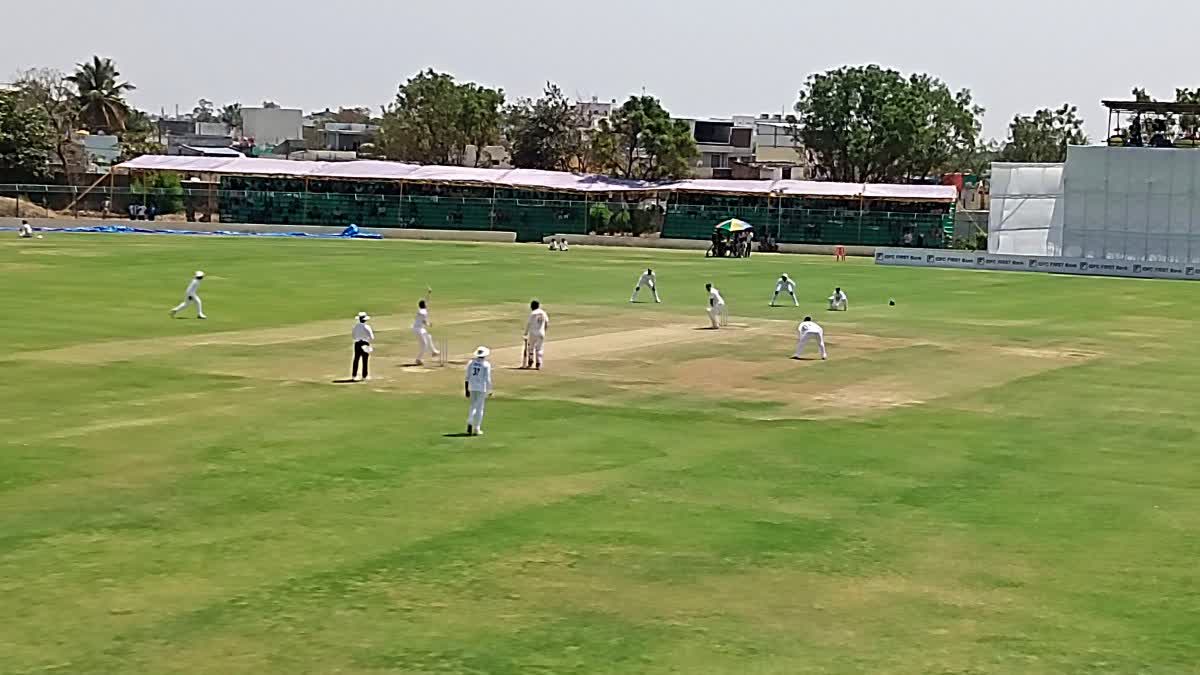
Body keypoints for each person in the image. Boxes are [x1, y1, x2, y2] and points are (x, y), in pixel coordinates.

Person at [464, 346, 493, 436]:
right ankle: (476, 428)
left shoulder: (471, 363)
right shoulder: (486, 365)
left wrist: (466, 389)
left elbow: (467, 377)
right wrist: (490, 389)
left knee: (473, 406)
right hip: (481, 388)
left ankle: (470, 421)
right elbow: (487, 378)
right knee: (480, 408)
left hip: (472, 387)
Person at [412, 299, 440, 366]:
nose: (427, 304)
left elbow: (424, 321)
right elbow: (422, 315)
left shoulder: (423, 311)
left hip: (420, 328)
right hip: (418, 329)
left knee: (429, 336)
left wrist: (428, 324)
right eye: (426, 304)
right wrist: (420, 312)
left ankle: (434, 351)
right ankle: (418, 359)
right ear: (424, 305)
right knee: (424, 345)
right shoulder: (423, 311)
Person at [524, 300, 550, 370]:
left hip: (533, 333)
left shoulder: (532, 313)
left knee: (531, 347)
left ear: (532, 306)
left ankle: (530, 361)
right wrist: (544, 331)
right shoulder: (543, 313)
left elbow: (528, 324)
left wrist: (525, 333)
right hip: (541, 333)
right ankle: (538, 363)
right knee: (539, 348)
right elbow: (547, 323)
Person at [351, 312, 375, 381]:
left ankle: (354, 375)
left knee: (356, 359)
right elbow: (372, 337)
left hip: (357, 343)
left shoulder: (355, 326)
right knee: (365, 360)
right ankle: (364, 376)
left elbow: (353, 336)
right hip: (365, 343)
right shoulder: (367, 327)